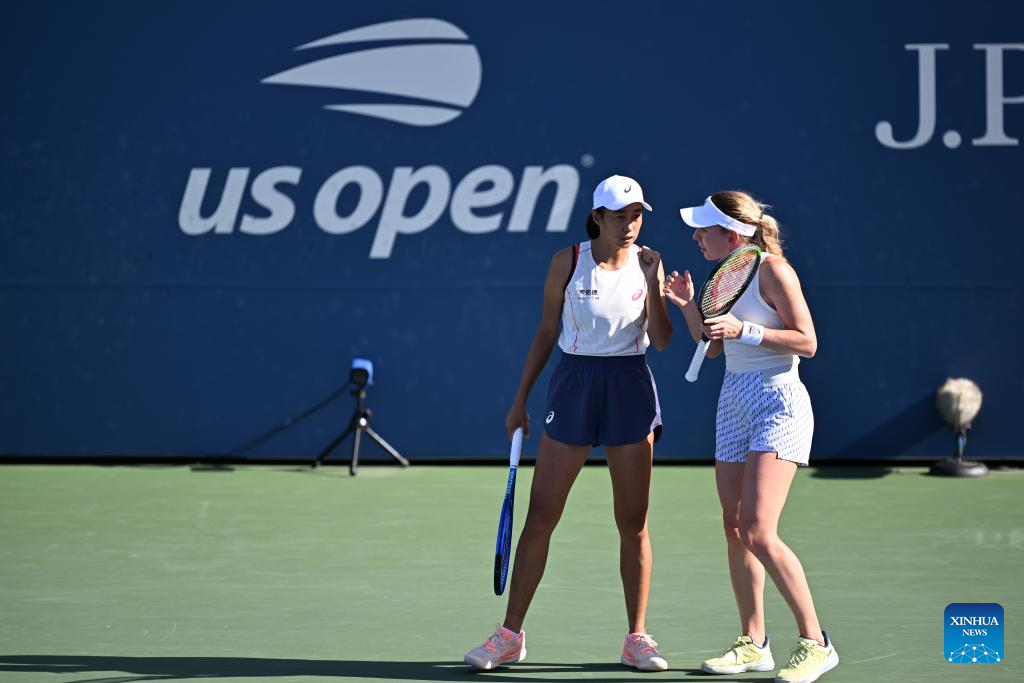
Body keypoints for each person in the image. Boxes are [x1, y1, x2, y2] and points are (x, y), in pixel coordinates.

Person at [463, 175, 673, 671]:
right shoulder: (567, 261)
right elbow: (545, 332)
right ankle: (510, 635)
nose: (629, 225)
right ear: (597, 217)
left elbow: (662, 339)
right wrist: (520, 400)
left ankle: (637, 639)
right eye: (619, 216)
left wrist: (653, 284)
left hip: (630, 386)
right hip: (574, 384)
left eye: (636, 215)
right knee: (541, 516)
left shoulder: (650, 263)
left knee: (633, 523)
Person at [664, 192, 839, 683]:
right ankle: (754, 643)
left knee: (759, 529)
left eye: (704, 229)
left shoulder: (774, 271)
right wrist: (688, 308)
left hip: (777, 401)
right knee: (735, 527)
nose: (696, 236)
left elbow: (807, 341)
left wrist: (747, 331)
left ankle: (816, 643)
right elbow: (712, 349)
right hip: (733, 401)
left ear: (732, 234)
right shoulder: (721, 279)